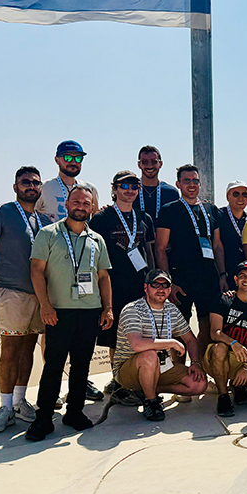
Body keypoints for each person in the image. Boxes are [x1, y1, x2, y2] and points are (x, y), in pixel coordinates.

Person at [26, 185, 113, 441]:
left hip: (89, 313)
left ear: (92, 208)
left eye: (86, 203)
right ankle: (43, 418)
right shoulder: (48, 234)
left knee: (81, 366)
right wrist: (45, 305)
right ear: (67, 204)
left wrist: (107, 308)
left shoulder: (97, 239)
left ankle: (74, 412)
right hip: (58, 312)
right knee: (53, 366)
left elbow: (103, 276)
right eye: (76, 202)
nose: (81, 207)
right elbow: (36, 271)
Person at [0, 166, 46, 433]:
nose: (30, 186)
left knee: (27, 349)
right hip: (10, 292)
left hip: (37, 295)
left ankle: (19, 402)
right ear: (15, 186)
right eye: (25, 182)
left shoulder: (41, 220)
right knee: (10, 350)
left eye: (35, 183)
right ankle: (4, 407)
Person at [90, 171, 156, 405]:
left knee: (139, 335)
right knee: (115, 338)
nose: (130, 190)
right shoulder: (101, 218)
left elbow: (150, 251)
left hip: (140, 287)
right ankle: (119, 384)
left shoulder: (144, 217)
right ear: (114, 188)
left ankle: (134, 380)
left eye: (134, 185)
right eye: (124, 185)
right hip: (113, 285)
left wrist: (154, 280)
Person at [112, 269, 209, 421]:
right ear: (146, 288)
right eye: (155, 285)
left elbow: (190, 339)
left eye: (165, 285)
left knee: (200, 384)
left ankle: (147, 389)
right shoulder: (133, 309)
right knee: (149, 355)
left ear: (170, 289)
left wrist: (196, 362)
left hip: (162, 367)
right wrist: (172, 343)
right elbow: (137, 344)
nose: (161, 289)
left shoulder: (171, 309)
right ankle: (152, 403)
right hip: (129, 370)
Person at [155, 164, 227, 358]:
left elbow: (218, 246)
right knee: (179, 328)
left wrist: (222, 275)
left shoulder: (211, 209)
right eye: (187, 180)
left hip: (208, 278)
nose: (192, 184)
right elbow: (160, 248)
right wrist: (168, 281)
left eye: (195, 180)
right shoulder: (169, 210)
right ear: (178, 184)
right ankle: (181, 376)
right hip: (181, 278)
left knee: (208, 325)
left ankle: (200, 369)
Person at [204, 262, 247, 416]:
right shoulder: (223, 300)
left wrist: (246, 367)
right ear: (235, 280)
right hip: (219, 355)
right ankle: (223, 396)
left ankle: (238, 385)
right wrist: (233, 343)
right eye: (242, 276)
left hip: (243, 358)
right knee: (220, 347)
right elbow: (215, 332)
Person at [36, 140, 100, 222]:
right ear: (57, 160)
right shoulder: (44, 188)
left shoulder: (90, 189)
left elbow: (95, 220)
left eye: (78, 158)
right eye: (68, 158)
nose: (73, 162)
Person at [134, 145, 180, 224]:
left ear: (160, 164)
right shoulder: (131, 191)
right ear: (139, 164)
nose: (149, 165)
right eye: (144, 162)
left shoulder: (171, 193)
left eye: (154, 162)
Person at [218, 180, 247, 279]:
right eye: (236, 194)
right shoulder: (218, 216)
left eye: (245, 194)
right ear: (228, 197)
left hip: (245, 276)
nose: (241, 198)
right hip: (224, 274)